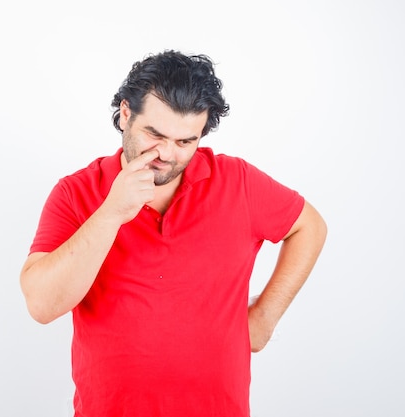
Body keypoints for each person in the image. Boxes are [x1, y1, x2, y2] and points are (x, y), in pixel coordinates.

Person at [20, 50, 327, 417]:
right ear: (125, 113)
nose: (166, 154)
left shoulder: (237, 182)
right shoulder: (76, 192)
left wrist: (264, 317)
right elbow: (41, 305)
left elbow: (309, 226)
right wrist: (112, 213)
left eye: (186, 142)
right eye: (155, 134)